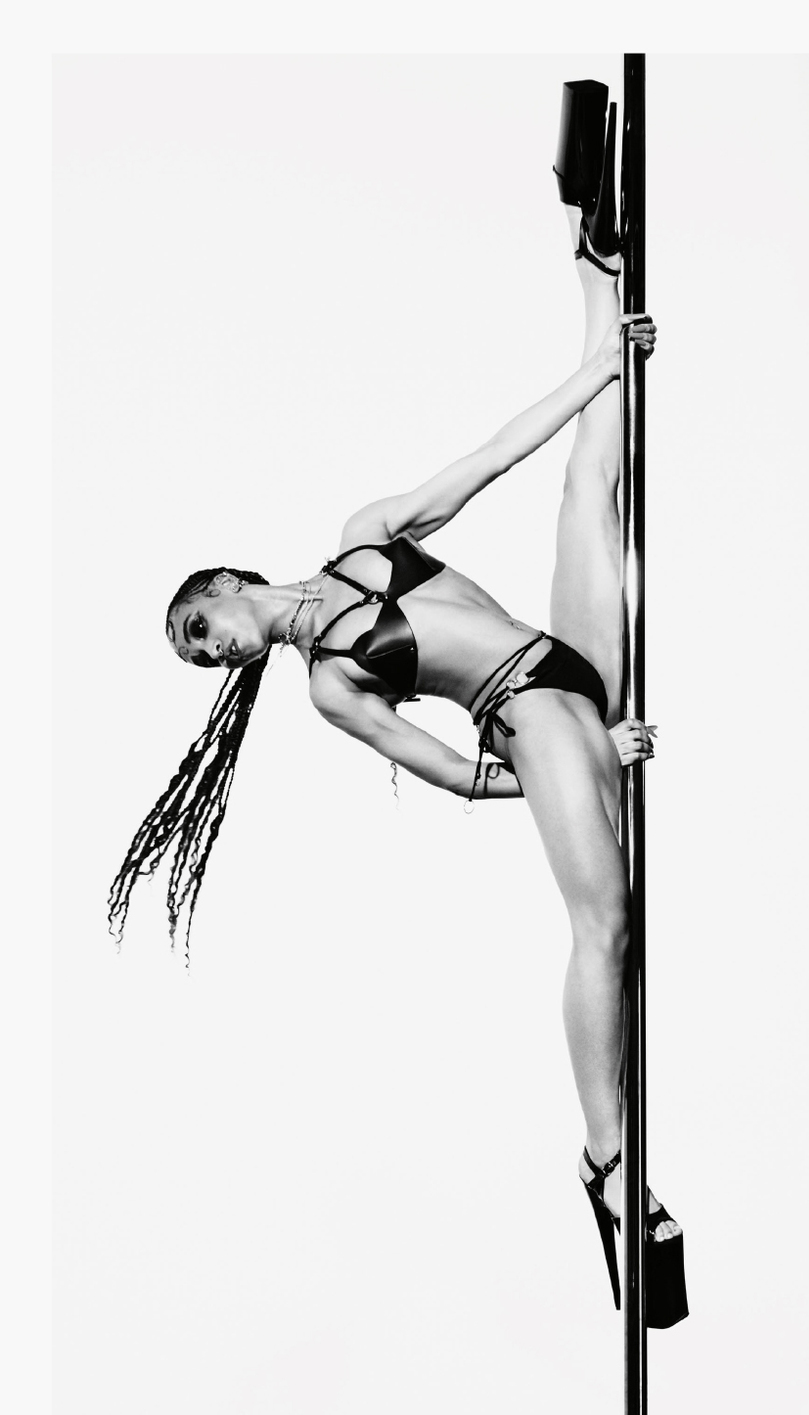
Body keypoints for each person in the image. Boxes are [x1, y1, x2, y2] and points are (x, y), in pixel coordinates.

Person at [108, 79, 687, 1327]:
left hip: (567, 653)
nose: (213, 655)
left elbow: (488, 458)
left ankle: (592, 258)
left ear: (227, 584)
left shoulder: (366, 535)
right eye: (201, 660)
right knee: (608, 925)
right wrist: (564, 763)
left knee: (592, 474)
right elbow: (448, 771)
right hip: (534, 713)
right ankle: (606, 1164)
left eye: (200, 631)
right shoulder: (330, 684)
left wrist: (598, 371)